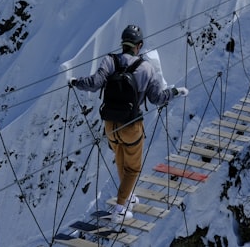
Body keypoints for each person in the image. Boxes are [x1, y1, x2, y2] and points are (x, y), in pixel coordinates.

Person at [69, 24, 188, 223]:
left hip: (110, 125)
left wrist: (74, 82)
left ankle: (128, 195)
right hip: (131, 125)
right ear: (138, 46)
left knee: (121, 159)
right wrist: (176, 92)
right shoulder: (147, 68)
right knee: (132, 168)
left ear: (122, 43)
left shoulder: (110, 60)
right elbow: (157, 98)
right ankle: (120, 208)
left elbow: (93, 83)